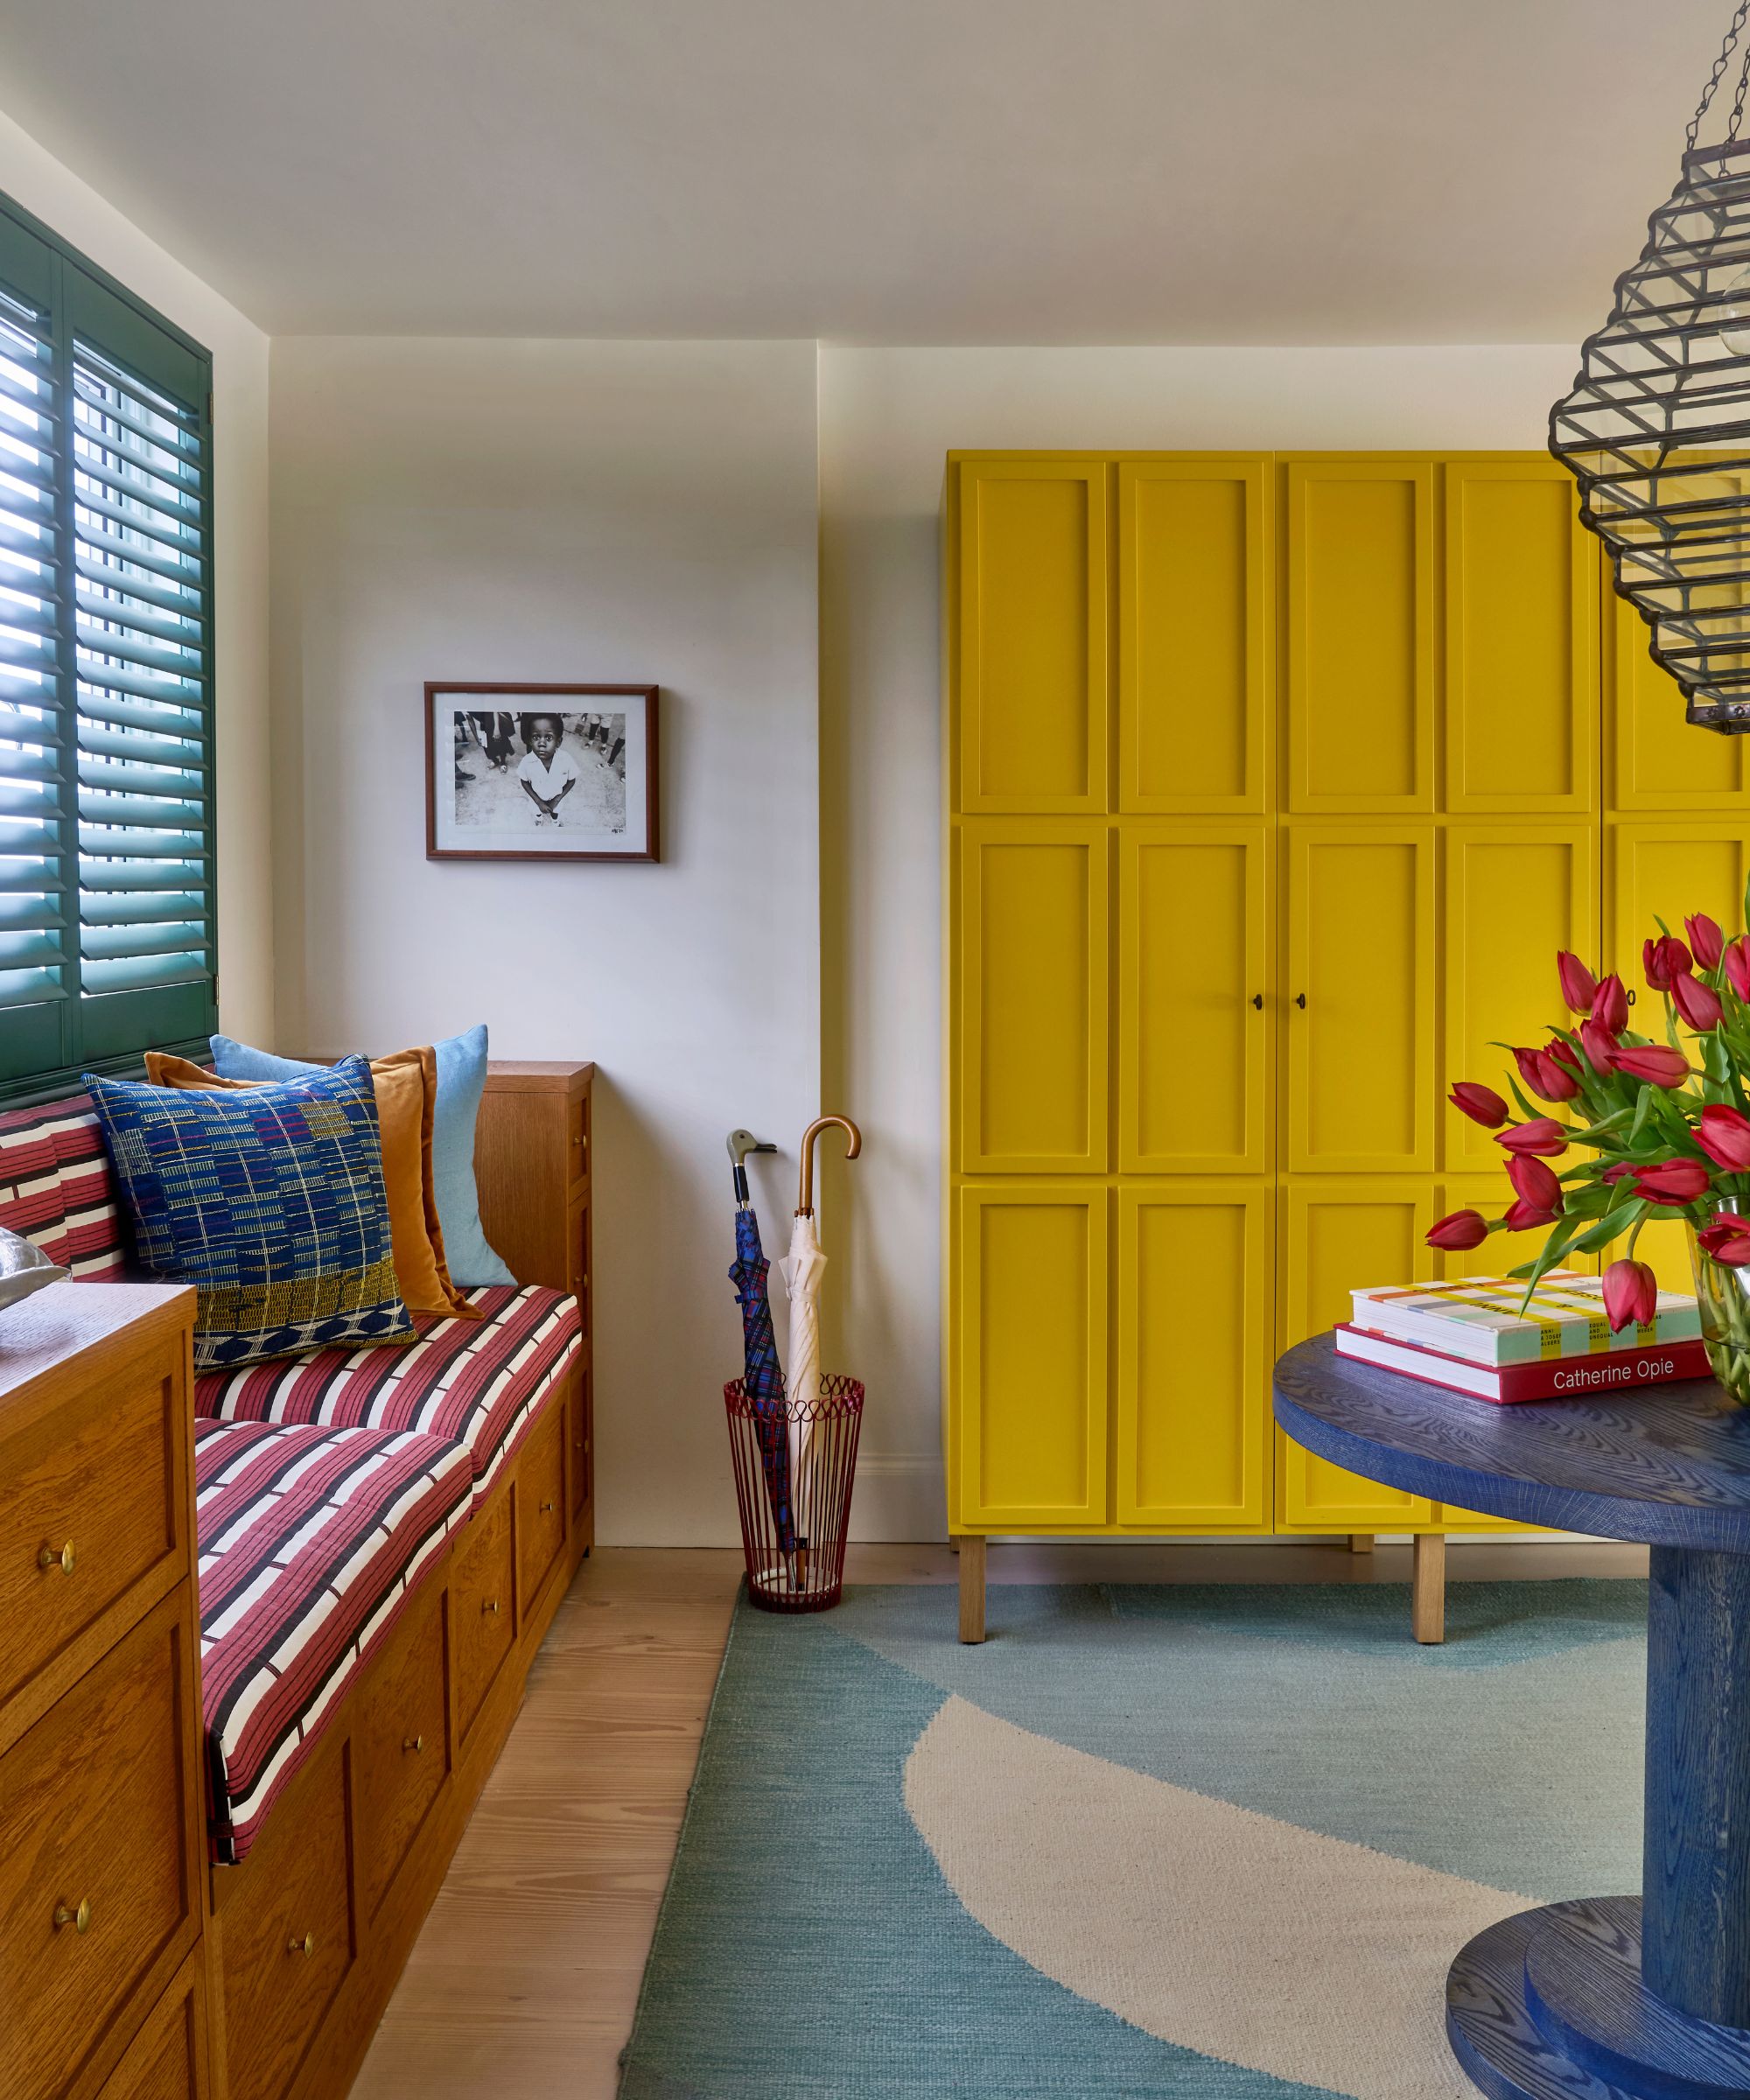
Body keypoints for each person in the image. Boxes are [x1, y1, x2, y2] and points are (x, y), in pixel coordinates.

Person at [516, 713, 579, 825]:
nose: (541, 743)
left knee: (556, 812)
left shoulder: (566, 759)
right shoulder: (527, 761)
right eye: (536, 737)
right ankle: (539, 819)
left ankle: (555, 821)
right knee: (537, 811)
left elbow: (572, 780)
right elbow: (524, 781)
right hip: (536, 798)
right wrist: (538, 802)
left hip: (557, 798)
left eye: (549, 737)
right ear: (530, 741)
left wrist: (557, 799)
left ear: (558, 742)